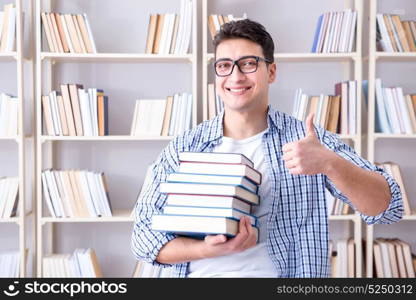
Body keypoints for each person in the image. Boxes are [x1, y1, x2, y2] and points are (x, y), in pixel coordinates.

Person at [131, 19, 403, 277]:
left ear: (271, 71)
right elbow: (143, 238)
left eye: (248, 63)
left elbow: (389, 208)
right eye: (224, 65)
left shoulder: (308, 140)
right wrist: (208, 249)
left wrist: (331, 164)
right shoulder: (184, 147)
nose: (235, 76)